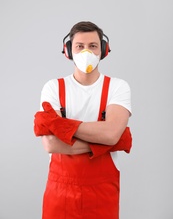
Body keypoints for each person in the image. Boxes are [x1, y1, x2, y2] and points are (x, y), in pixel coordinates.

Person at [34, 21, 132, 219]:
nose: (86, 52)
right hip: (60, 191)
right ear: (69, 51)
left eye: (93, 46)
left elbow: (112, 134)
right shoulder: (53, 87)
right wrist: (105, 142)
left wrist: (62, 126)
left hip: (101, 191)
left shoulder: (117, 87)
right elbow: (51, 144)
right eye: (79, 46)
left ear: (103, 50)